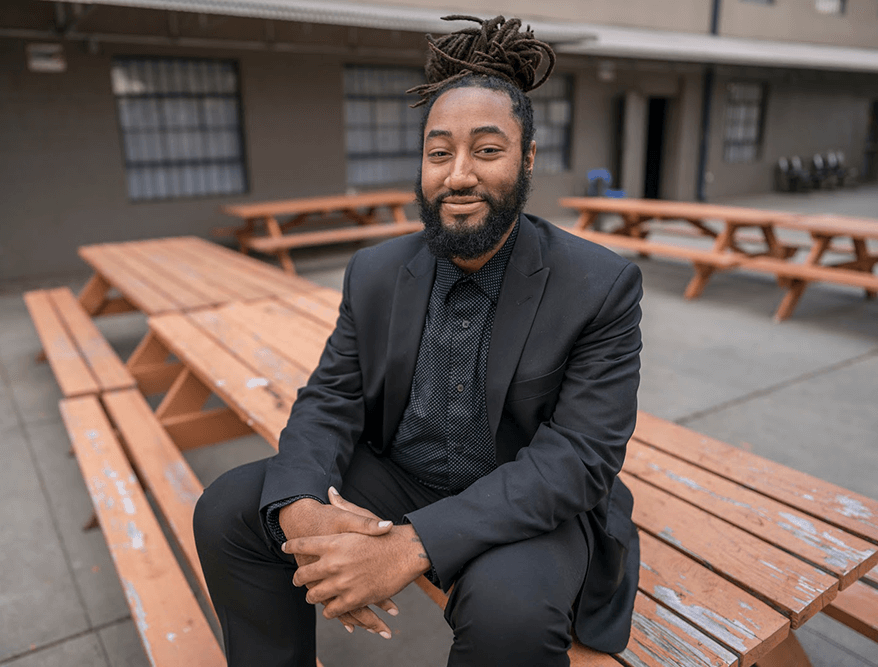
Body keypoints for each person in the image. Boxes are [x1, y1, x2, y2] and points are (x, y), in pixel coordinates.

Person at [194, 15, 642, 667]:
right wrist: (299, 509)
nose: (459, 175)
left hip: (523, 493)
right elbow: (331, 396)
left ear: (528, 158)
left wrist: (405, 548)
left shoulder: (600, 284)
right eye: (439, 152)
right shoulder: (375, 271)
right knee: (233, 508)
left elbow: (577, 457)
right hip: (401, 475)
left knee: (509, 616)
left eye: (487, 150)